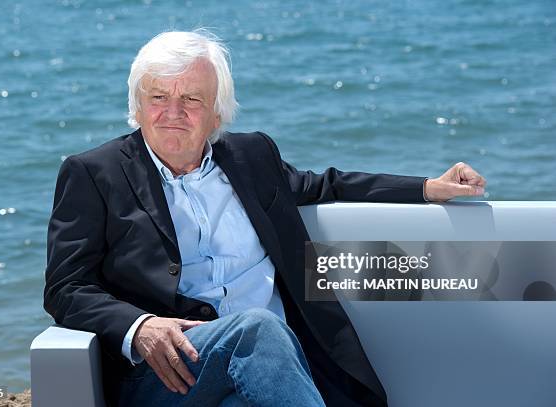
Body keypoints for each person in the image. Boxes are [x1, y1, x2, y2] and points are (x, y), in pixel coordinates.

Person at [44, 30, 486, 407]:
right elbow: (65, 288)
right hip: (169, 371)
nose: (173, 112)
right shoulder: (92, 174)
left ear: (217, 111)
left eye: (191, 99)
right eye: (158, 97)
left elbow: (326, 184)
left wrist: (428, 187)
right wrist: (138, 326)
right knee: (256, 327)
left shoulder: (252, 156)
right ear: (137, 106)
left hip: (275, 368)